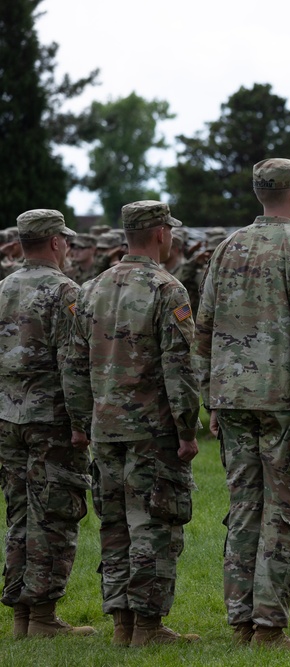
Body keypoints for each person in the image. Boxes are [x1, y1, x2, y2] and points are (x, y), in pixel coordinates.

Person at [195, 158, 290, 647]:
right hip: (281, 400)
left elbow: (204, 327)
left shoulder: (227, 247)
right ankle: (269, 627)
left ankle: (241, 622)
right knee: (284, 511)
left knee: (244, 508)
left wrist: (211, 398)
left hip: (232, 397)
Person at [67, 201, 200, 646]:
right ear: (160, 233)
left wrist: (81, 422)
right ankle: (147, 626)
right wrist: (187, 430)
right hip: (151, 430)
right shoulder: (167, 289)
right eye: (170, 230)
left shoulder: (91, 288)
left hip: (105, 428)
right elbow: (180, 370)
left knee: (115, 525)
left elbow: (73, 365)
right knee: (153, 523)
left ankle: (122, 625)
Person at [0, 210, 94, 638]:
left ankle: (22, 617)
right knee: (53, 513)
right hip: (51, 419)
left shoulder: (4, 287)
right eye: (66, 239)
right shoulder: (65, 291)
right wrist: (81, 422)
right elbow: (73, 363)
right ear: (56, 242)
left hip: (8, 417)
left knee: (20, 511)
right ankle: (41, 616)